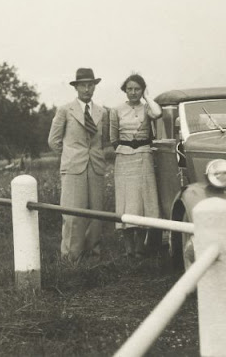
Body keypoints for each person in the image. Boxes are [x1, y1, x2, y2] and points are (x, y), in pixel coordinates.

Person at [48, 68, 109, 263]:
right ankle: (71, 258)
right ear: (76, 87)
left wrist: (94, 156)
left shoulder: (102, 112)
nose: (87, 89)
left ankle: (93, 256)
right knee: (73, 214)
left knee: (96, 214)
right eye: (83, 85)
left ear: (95, 87)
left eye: (90, 85)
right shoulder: (65, 110)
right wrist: (71, 155)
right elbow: (53, 141)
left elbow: (103, 140)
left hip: (96, 167)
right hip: (73, 168)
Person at [110, 74, 162, 258]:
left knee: (142, 202)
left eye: (137, 89)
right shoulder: (116, 110)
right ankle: (128, 248)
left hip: (144, 156)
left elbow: (158, 113)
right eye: (130, 89)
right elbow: (113, 138)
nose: (133, 92)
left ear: (142, 90)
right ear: (125, 90)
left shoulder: (147, 108)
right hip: (124, 159)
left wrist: (147, 97)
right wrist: (126, 149)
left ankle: (140, 247)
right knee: (126, 202)